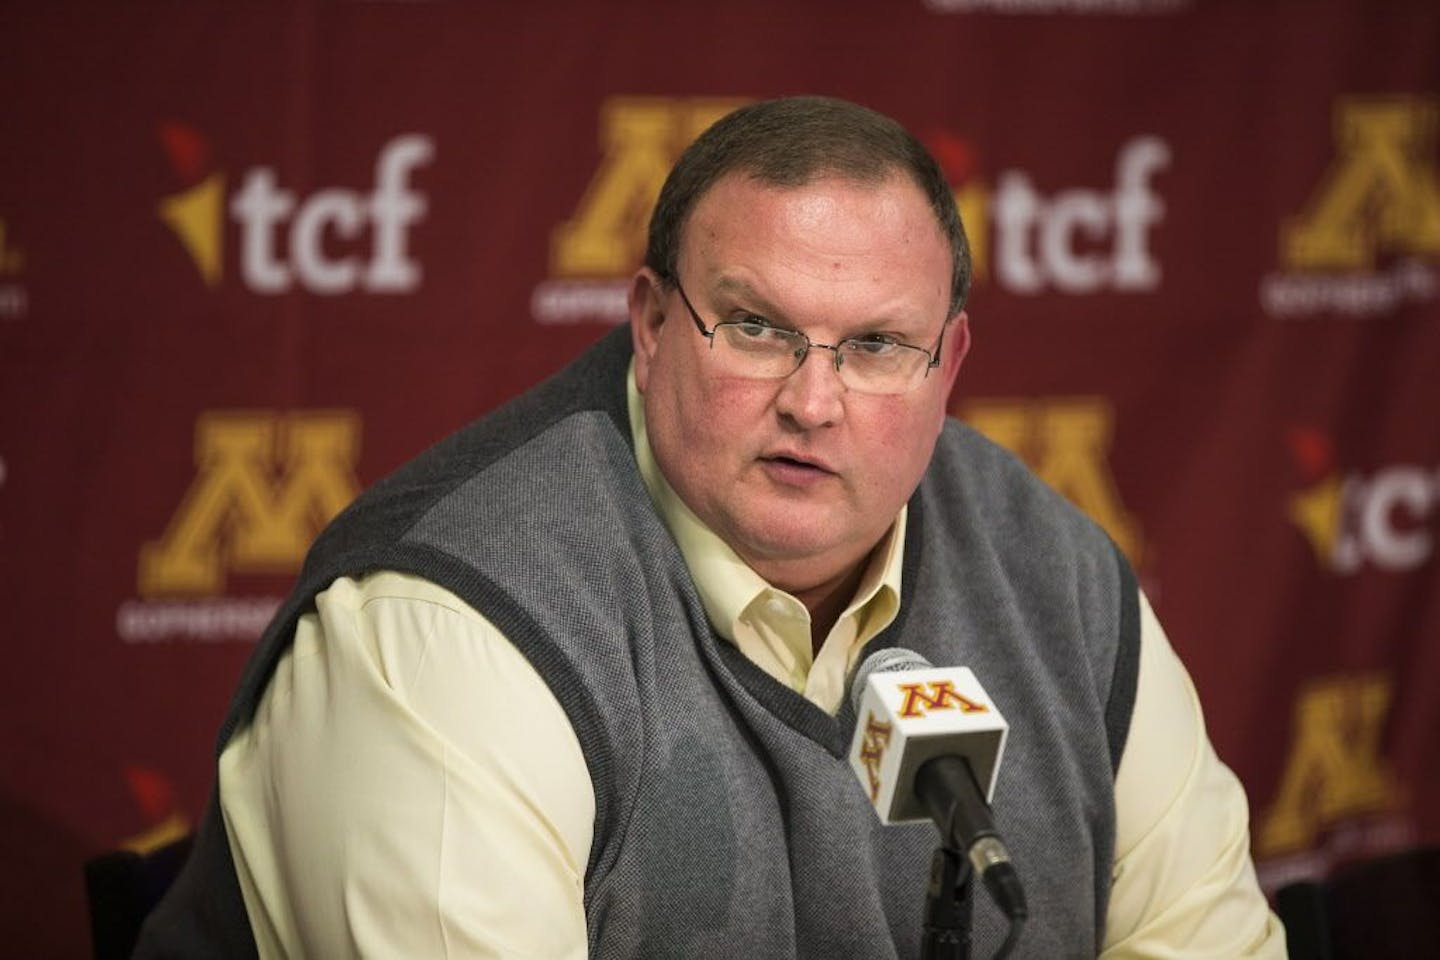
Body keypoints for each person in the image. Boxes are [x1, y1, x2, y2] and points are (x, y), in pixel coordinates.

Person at [138, 96, 1284, 958]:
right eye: (754, 327)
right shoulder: (454, 627)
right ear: (648, 323)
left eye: (878, 346)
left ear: (950, 365)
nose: (814, 399)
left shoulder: (1060, 582)